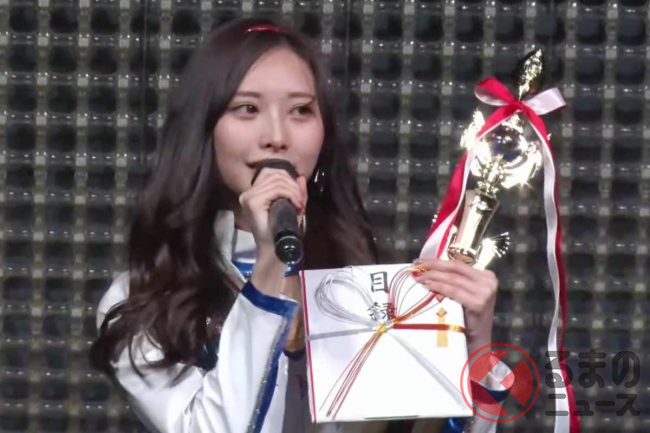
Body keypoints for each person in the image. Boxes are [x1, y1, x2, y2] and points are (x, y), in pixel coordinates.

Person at [90, 17, 511, 433]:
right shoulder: (141, 301)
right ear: (204, 130)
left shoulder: (364, 287)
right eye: (247, 108)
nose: (277, 136)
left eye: (300, 110)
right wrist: (270, 266)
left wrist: (473, 350)